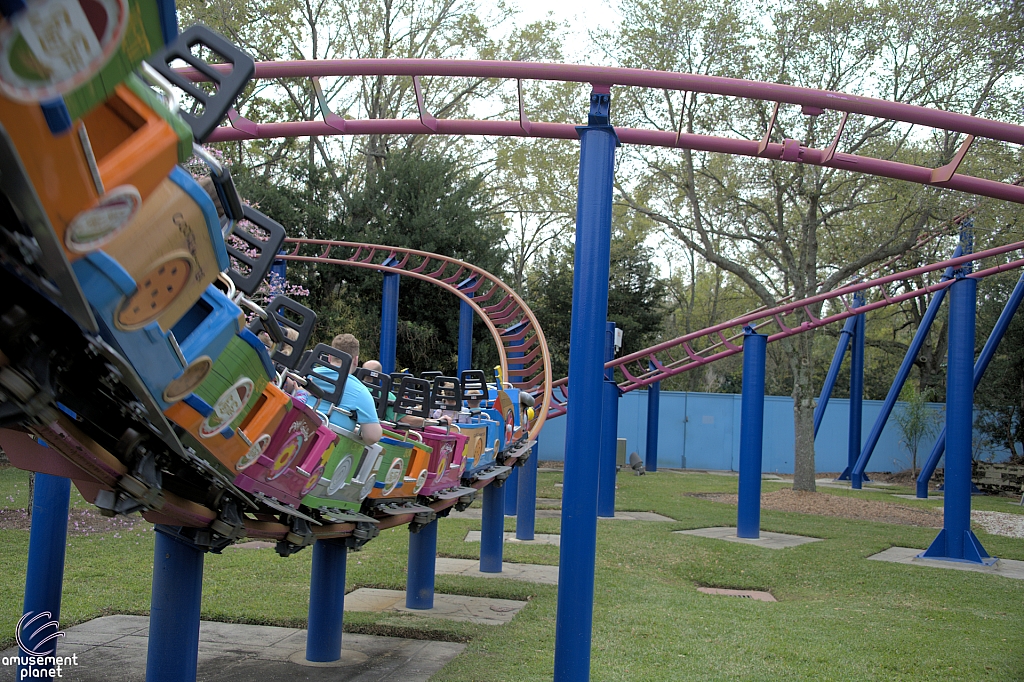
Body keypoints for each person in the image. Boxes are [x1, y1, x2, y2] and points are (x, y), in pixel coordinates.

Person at [304, 334, 382, 445]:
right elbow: (372, 437)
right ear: (355, 360)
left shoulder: (308, 374)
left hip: (297, 434)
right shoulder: (360, 392)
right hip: (328, 449)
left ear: (330, 357)